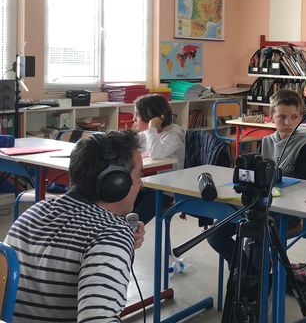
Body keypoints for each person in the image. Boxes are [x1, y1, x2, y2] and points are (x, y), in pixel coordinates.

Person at [5, 131, 146, 322]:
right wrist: (116, 241)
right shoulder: (110, 235)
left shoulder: (31, 214)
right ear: (116, 182)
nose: (141, 184)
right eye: (139, 176)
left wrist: (119, 242)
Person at [208, 89, 306, 265]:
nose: (287, 122)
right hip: (257, 205)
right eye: (281, 117)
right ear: (271, 117)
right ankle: (244, 268)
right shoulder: (267, 142)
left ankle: (255, 280)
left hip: (285, 212)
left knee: (256, 239)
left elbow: (305, 186)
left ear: (300, 117)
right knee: (215, 234)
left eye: (294, 117)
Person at [132, 93, 185, 223]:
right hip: (146, 186)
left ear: (152, 117)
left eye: (137, 114)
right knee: (119, 208)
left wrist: (151, 128)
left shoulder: (174, 133)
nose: (133, 119)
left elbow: (156, 153)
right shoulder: (146, 134)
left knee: (134, 220)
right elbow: (130, 147)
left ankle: (126, 238)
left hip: (165, 191)